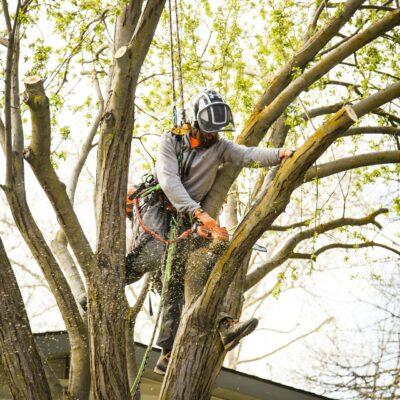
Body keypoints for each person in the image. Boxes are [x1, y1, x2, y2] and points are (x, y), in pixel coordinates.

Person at [125, 89, 294, 375]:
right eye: (208, 131)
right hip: (159, 205)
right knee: (150, 253)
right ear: (194, 123)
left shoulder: (220, 146)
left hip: (185, 219)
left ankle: (169, 351)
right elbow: (169, 181)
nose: (213, 136)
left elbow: (248, 155)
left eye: (217, 132)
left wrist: (279, 154)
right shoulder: (171, 141)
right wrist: (199, 214)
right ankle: (104, 284)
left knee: (176, 277)